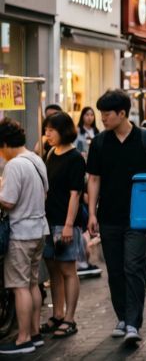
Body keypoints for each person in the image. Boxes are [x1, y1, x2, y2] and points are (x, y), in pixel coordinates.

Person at [86, 89, 146, 344]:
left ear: (122, 113)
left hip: (138, 218)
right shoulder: (99, 142)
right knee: (115, 270)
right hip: (108, 216)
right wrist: (92, 213)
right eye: (101, 114)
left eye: (107, 114)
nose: (103, 119)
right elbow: (94, 179)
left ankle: (133, 322)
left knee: (134, 268)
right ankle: (122, 317)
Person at [0, 118, 49, 354]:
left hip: (21, 233)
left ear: (5, 144)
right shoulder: (36, 159)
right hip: (39, 229)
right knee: (32, 284)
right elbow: (45, 192)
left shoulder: (14, 165)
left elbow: (8, 202)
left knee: (19, 286)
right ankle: (35, 333)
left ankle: (23, 339)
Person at [41, 112, 86, 339]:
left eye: (51, 130)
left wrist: (68, 225)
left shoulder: (75, 158)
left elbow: (75, 194)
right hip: (48, 221)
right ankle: (57, 314)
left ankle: (70, 318)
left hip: (65, 222)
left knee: (68, 270)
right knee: (53, 270)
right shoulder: (50, 153)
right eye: (46, 130)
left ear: (64, 131)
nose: (47, 134)